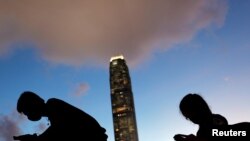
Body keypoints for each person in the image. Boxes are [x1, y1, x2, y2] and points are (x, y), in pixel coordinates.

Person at [13, 91, 108, 141]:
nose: (28, 117)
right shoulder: (52, 111)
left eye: (27, 112)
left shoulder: (53, 104)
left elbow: (58, 130)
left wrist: (35, 139)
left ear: (32, 105)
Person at [174, 93, 250, 141]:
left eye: (189, 115)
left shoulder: (204, 131)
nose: (189, 119)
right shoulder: (217, 119)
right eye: (187, 117)